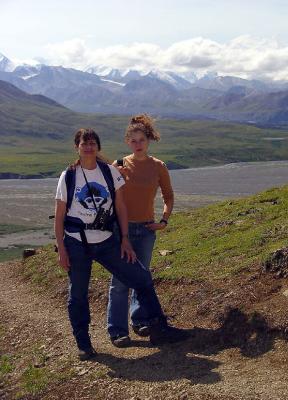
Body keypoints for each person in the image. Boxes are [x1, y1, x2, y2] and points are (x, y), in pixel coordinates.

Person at [54, 128, 188, 360]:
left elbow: (120, 207)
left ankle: (158, 328)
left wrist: (124, 239)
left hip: (107, 241)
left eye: (92, 143)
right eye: (84, 143)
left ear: (98, 146)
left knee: (141, 277)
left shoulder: (109, 173)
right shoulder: (69, 176)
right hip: (77, 243)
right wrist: (62, 249)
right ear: (77, 147)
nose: (88, 147)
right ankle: (84, 343)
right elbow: (59, 215)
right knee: (77, 294)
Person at [107, 114, 174, 347]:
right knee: (120, 280)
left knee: (141, 276)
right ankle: (117, 330)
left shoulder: (158, 167)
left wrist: (163, 220)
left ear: (148, 140)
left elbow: (168, 196)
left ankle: (140, 320)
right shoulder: (118, 166)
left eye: (141, 140)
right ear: (128, 142)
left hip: (146, 229)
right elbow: (106, 195)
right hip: (121, 230)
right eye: (133, 140)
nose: (138, 144)